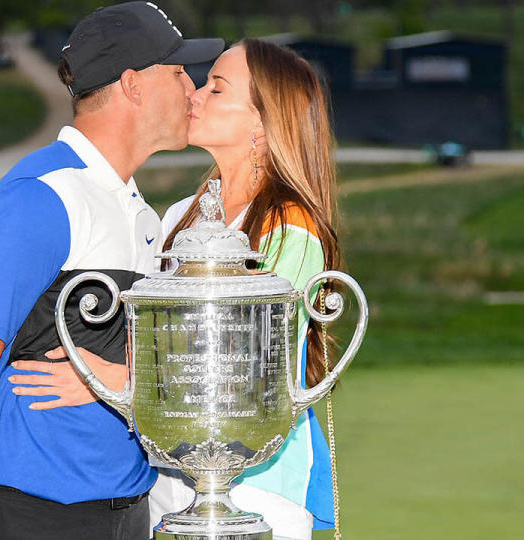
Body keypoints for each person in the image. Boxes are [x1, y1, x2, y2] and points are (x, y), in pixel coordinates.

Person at [0, 3, 223, 539]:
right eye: (178, 73)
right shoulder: (43, 197)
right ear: (133, 84)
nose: (192, 89)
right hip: (28, 514)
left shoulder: (137, 211)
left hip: (126, 511)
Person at [152, 38, 343, 540]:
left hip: (259, 485)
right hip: (169, 484)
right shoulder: (179, 218)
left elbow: (244, 366)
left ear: (262, 121)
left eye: (217, 88)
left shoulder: (290, 230)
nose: (195, 94)